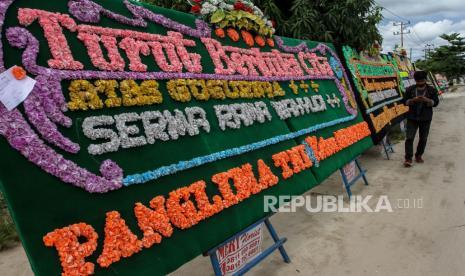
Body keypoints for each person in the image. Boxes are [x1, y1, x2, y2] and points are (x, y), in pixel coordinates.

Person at [403, 70, 439, 167]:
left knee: (423, 138)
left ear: (425, 80)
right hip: (412, 117)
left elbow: (436, 102)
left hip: (426, 118)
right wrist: (412, 100)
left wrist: (427, 100)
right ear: (415, 81)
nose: (419, 83)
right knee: (409, 138)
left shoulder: (432, 90)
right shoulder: (410, 89)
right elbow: (403, 101)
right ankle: (408, 158)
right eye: (417, 81)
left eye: (421, 81)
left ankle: (418, 155)